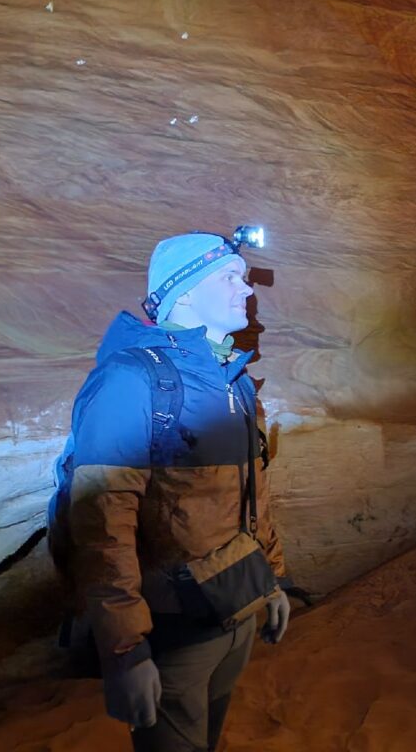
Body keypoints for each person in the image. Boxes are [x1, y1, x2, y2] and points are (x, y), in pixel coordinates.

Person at [65, 229, 291, 752]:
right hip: (173, 628)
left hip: (236, 605)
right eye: (230, 277)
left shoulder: (229, 377)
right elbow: (101, 522)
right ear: (184, 292)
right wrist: (125, 649)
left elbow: (251, 495)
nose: (247, 290)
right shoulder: (131, 379)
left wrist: (273, 579)